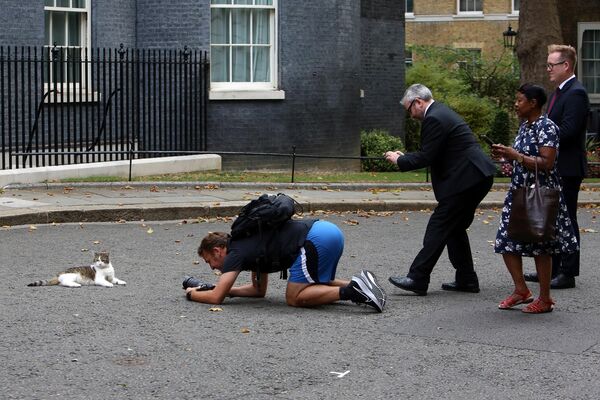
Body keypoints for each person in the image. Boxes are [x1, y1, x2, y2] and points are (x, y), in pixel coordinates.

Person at [384, 83, 496, 296]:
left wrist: (400, 160)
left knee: (439, 225)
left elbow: (427, 157)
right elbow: (434, 152)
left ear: (418, 102)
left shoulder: (433, 118)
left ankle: (418, 277)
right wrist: (405, 156)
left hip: (467, 179)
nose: (410, 115)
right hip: (475, 176)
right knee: (454, 228)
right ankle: (467, 279)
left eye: (409, 109)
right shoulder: (440, 112)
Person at [491, 83, 579, 313]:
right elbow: (521, 158)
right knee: (505, 242)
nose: (516, 104)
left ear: (533, 103)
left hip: (540, 194)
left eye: (520, 100)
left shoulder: (547, 127)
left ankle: (545, 298)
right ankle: (521, 290)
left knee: (542, 244)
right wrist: (506, 158)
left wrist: (516, 156)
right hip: (519, 192)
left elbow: (547, 163)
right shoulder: (525, 126)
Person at [185, 219, 387, 312]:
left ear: (218, 250)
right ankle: (361, 283)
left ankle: (353, 291)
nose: (211, 267)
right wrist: (229, 290)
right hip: (327, 230)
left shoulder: (235, 254)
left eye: (209, 261)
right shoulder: (247, 243)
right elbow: (258, 291)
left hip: (315, 238)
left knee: (294, 297)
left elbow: (215, 298)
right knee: (314, 282)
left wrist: (192, 294)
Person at [524, 44, 590, 289]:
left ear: (566, 65)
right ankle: (551, 270)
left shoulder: (576, 93)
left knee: (567, 219)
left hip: (568, 167)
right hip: (555, 166)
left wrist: (541, 139)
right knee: (553, 219)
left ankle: (568, 273)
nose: (548, 69)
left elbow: (570, 131)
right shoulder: (558, 92)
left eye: (552, 65)